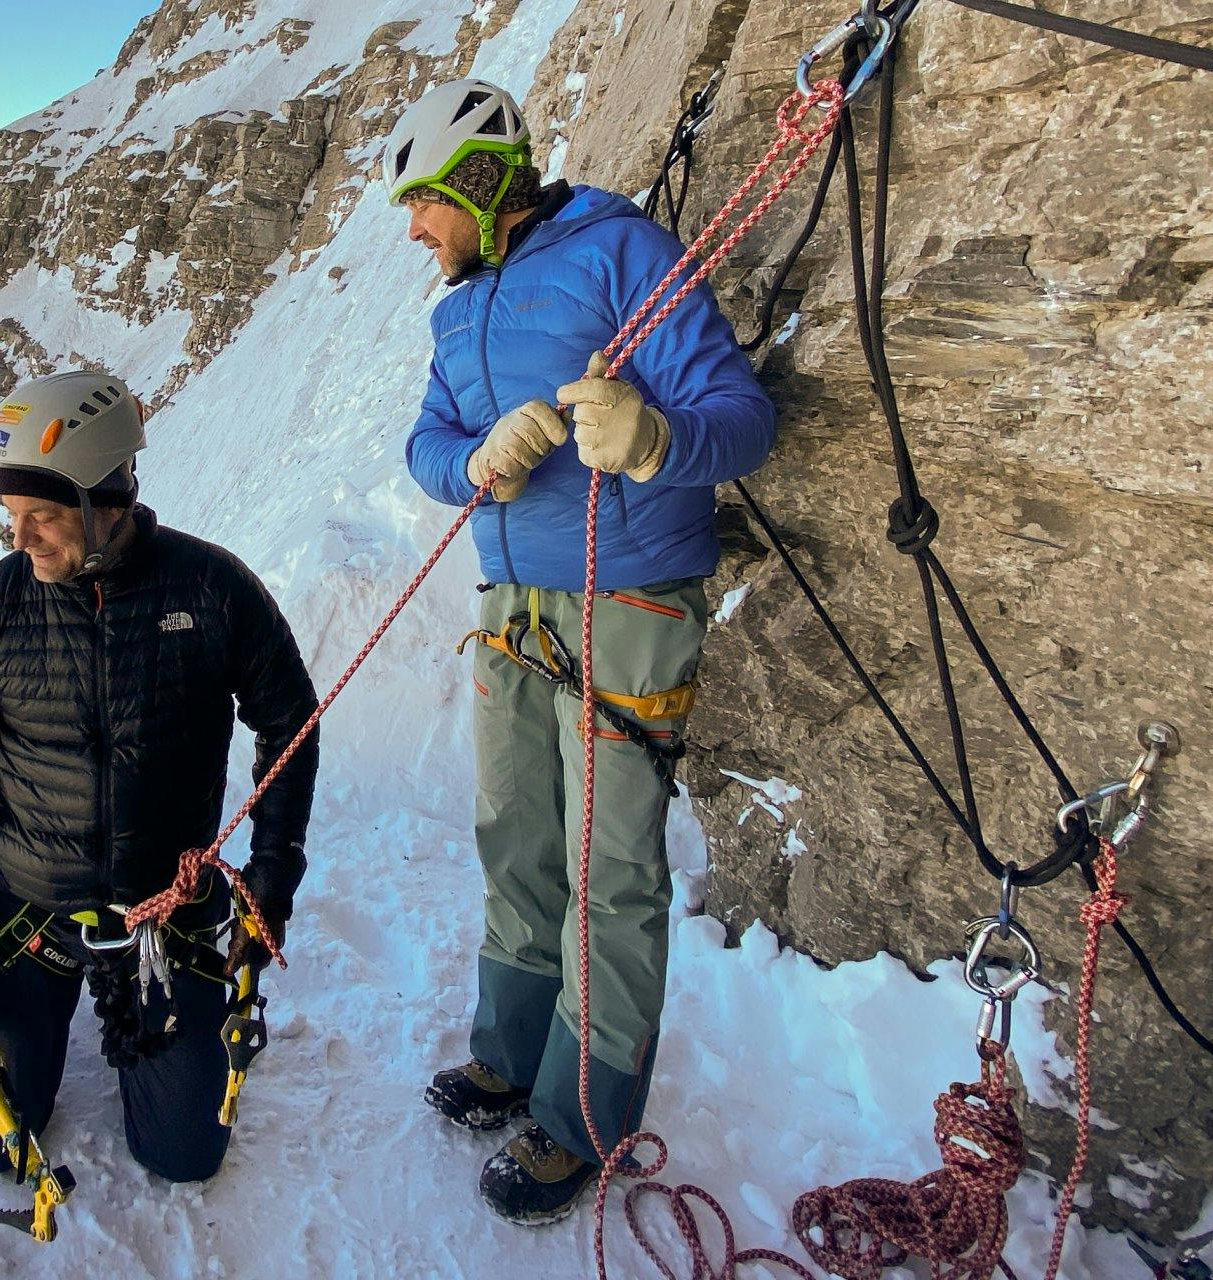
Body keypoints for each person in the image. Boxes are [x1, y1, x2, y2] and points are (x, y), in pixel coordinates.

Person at [385, 78, 777, 1222]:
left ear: (480, 183)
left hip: (629, 599)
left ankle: (581, 1118)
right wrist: (473, 461)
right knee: (515, 835)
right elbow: (424, 442)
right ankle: (510, 1053)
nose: (415, 229)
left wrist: (657, 439)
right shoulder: (456, 312)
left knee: (609, 873)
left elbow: (741, 414)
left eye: (424, 202)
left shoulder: (623, 252)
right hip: (511, 600)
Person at [0, 369, 319, 1184]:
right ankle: (12, 1006)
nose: (21, 540)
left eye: (42, 517)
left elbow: (289, 729)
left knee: (185, 1154)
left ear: (105, 500)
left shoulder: (209, 589)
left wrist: (267, 893)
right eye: (12, 518)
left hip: (162, 917)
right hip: (26, 910)